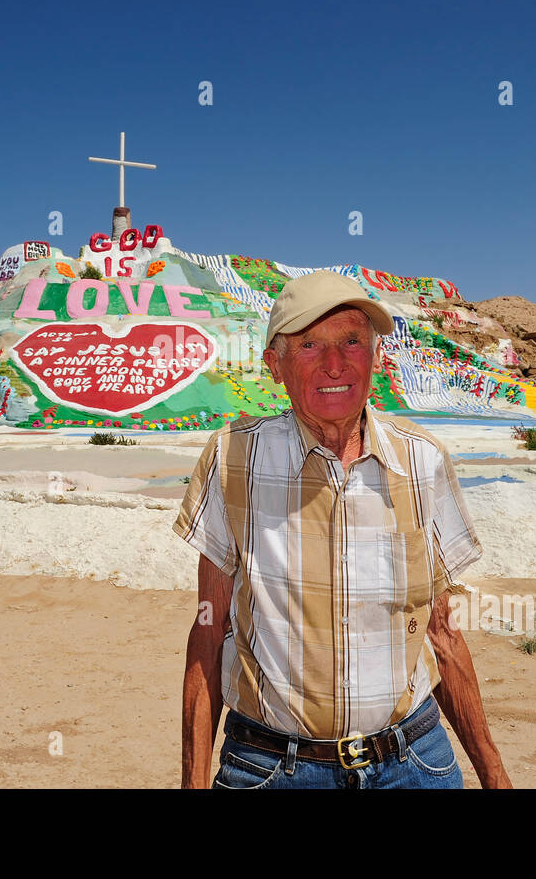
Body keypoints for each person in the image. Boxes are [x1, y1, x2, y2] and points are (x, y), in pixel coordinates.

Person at [175, 270, 513, 789]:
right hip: (272, 767)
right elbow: (208, 630)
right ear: (276, 364)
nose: (335, 364)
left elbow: (443, 631)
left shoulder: (421, 460)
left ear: (375, 355)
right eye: (309, 344)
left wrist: (493, 773)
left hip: (413, 762)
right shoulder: (233, 459)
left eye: (352, 340)